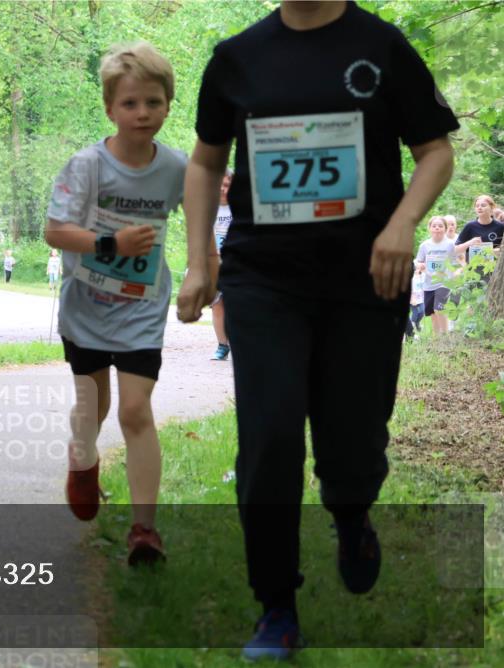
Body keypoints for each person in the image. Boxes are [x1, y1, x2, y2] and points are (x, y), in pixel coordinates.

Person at [176, 1, 457, 659]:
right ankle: (277, 606)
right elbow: (204, 162)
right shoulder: (236, 58)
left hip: (365, 278)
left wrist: (402, 224)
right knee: (270, 437)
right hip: (264, 281)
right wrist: (200, 260)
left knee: (352, 439)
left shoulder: (381, 47)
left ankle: (351, 509)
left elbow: (435, 152)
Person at [45, 41, 187, 566]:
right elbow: (55, 232)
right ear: (110, 108)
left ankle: (144, 530)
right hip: (85, 307)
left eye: (153, 102)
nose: (142, 113)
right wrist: (111, 245)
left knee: (134, 409)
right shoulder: (86, 167)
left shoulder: (176, 168)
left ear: (168, 105)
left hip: (141, 310)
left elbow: (205, 212)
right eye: (130, 104)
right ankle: (82, 460)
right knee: (93, 407)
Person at [414, 216, 455, 335]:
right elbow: (418, 261)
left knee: (439, 308)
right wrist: (420, 265)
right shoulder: (425, 245)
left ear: (445, 229)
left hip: (444, 282)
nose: (437, 228)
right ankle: (437, 337)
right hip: (429, 283)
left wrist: (454, 274)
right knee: (432, 312)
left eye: (440, 226)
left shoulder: (450, 244)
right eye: (434, 226)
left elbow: (454, 261)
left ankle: (445, 334)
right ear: (430, 228)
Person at [210, 170, 233, 361]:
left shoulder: (240, 207)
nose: (222, 189)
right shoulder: (208, 209)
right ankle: (222, 345)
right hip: (215, 263)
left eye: (226, 185)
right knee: (217, 305)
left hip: (236, 262)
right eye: (220, 185)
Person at [454, 194, 503, 279]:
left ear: (491, 208)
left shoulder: (500, 227)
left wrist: (495, 251)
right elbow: (456, 250)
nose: (479, 208)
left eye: (483, 205)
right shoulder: (470, 226)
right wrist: (470, 242)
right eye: (477, 206)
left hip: (494, 272)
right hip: (474, 272)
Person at [405, 267, 425, 340]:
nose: (417, 270)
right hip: (413, 300)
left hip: (421, 299)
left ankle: (417, 323)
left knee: (422, 312)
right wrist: (411, 299)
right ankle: (412, 326)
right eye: (415, 269)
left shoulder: (422, 276)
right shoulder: (411, 278)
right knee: (415, 313)